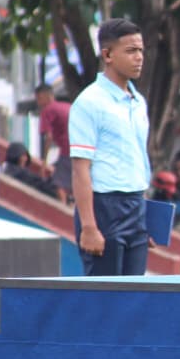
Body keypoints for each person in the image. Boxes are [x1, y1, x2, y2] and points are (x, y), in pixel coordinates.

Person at [68, 18, 151, 275]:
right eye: (131, 51)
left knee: (135, 293)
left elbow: (139, 160)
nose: (139, 57)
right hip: (104, 207)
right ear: (107, 55)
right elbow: (80, 169)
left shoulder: (138, 102)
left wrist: (147, 217)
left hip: (136, 206)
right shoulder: (89, 102)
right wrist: (89, 227)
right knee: (104, 293)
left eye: (141, 50)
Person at [34, 83, 72, 202]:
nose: (38, 103)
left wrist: (44, 162)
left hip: (68, 150)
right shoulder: (67, 106)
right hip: (85, 148)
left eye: (39, 98)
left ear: (46, 96)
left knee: (58, 183)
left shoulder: (48, 110)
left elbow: (49, 137)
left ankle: (63, 208)